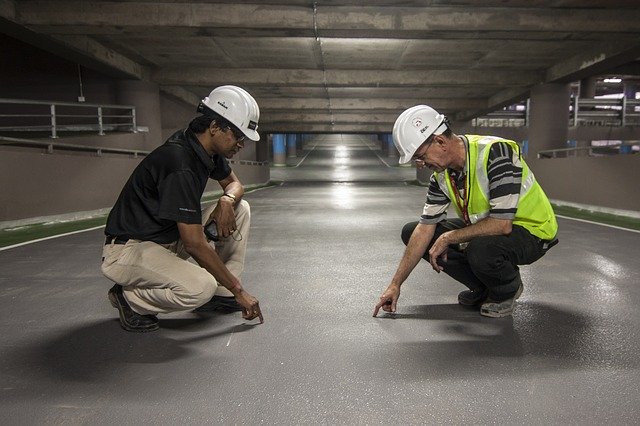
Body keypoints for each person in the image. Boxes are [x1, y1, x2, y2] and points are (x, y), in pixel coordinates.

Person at [102, 85, 264, 332]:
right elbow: (194, 244)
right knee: (200, 288)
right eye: (238, 136)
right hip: (129, 249)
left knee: (241, 209)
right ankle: (131, 299)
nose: (241, 144)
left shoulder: (204, 150)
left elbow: (234, 184)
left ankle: (222, 292)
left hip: (166, 239)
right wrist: (239, 290)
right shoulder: (179, 163)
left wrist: (227, 200)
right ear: (214, 127)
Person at [373, 105, 558, 318]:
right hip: (492, 228)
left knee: (479, 248)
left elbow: (502, 224)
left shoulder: (496, 152)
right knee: (412, 232)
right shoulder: (442, 176)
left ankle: (505, 290)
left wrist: (450, 237)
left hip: (532, 231)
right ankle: (483, 287)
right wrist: (395, 284)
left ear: (440, 142)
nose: (421, 164)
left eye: (421, 156)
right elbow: (424, 229)